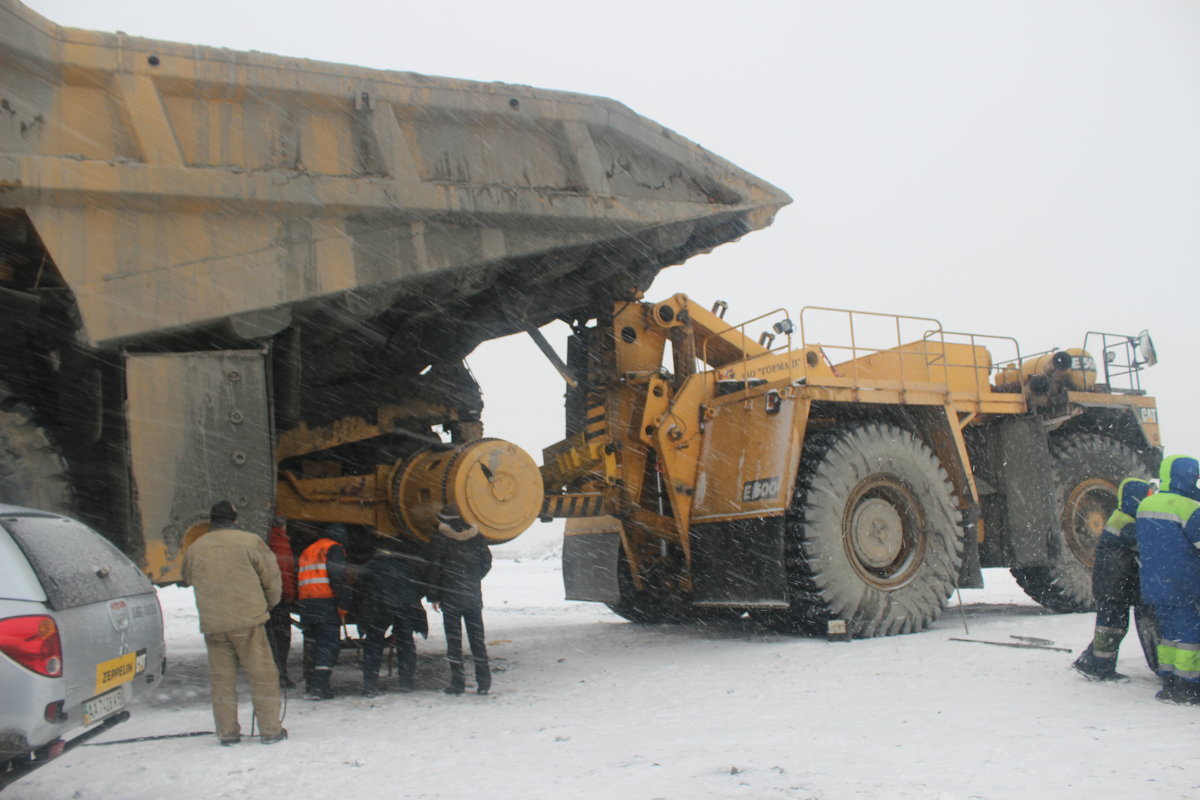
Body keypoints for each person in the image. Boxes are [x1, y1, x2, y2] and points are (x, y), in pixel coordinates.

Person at [181, 500, 288, 745]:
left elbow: (188, 578)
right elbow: (272, 578)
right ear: (235, 519)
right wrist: (269, 604)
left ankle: (227, 733)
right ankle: (270, 730)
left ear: (212, 521)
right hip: (248, 620)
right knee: (262, 676)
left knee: (222, 681)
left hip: (214, 624)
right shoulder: (251, 542)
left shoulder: (196, 547)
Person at [1072, 476, 1155, 680]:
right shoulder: (1124, 524)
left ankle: (1091, 661)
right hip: (1112, 587)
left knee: (1112, 626)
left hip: (1112, 586)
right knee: (1112, 627)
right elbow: (1144, 544)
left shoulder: (1123, 518)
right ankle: (1098, 666)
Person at [1136, 455, 1200, 705]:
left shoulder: (1145, 505)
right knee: (1189, 633)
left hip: (1153, 582)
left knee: (1168, 633)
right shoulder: (1188, 508)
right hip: (1183, 582)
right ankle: (1187, 685)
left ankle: (1169, 681)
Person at [427, 504, 492, 695]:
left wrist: (434, 595)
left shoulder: (440, 539)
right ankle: (484, 683)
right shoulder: (476, 537)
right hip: (472, 596)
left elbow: (434, 568)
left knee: (454, 643)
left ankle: (458, 683)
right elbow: (487, 563)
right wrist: (472, 579)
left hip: (450, 597)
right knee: (477, 641)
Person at [356, 535, 429, 696]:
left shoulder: (371, 566)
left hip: (379, 606)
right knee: (405, 642)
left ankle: (370, 686)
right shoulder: (404, 566)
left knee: (373, 644)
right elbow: (418, 588)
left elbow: (359, 590)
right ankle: (406, 682)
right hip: (403, 607)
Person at [297, 522, 350, 700]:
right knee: (327, 646)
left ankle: (311, 685)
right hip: (325, 603)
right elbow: (337, 578)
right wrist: (343, 603)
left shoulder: (308, 550)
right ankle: (321, 687)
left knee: (312, 645)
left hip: (306, 604)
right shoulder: (334, 549)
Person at [266, 516, 298, 688]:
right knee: (281, 639)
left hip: (266, 597)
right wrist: (289, 594)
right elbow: (284, 571)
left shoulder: (267, 539)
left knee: (270, 639)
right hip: (278, 599)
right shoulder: (279, 541)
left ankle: (272, 675)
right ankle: (279, 676)